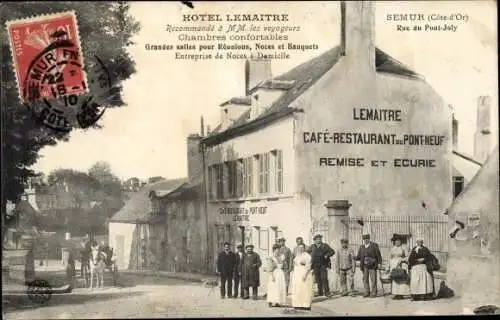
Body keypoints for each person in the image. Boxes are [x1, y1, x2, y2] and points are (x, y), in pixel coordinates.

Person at [408, 236, 435, 301]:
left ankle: (425, 295)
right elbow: (410, 258)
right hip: (416, 267)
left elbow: (429, 257)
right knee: (415, 281)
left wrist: (424, 259)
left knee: (425, 281)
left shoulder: (425, 249)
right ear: (416, 242)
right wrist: (416, 261)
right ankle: (415, 296)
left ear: (422, 242)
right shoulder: (414, 249)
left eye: (421, 241)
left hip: (423, 267)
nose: (419, 243)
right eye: (418, 241)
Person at [356, 234, 382, 298]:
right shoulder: (361, 247)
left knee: (373, 279)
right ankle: (366, 292)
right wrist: (353, 257)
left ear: (369, 239)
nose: (366, 240)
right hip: (365, 266)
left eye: (367, 239)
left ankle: (373, 293)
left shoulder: (374, 245)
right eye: (364, 239)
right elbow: (358, 256)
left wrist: (379, 263)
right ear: (363, 240)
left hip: (372, 265)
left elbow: (378, 255)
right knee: (365, 279)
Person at [291, 243, 314, 310]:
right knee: (298, 289)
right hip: (297, 275)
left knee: (305, 289)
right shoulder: (297, 256)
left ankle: (305, 305)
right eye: (299, 248)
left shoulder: (307, 256)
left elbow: (308, 266)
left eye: (302, 248)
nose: (300, 249)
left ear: (304, 248)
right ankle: (298, 304)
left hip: (304, 274)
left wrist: (305, 275)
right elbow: (295, 264)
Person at [389, 234, 410, 300]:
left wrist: (402, 259)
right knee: (395, 279)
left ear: (401, 241)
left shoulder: (404, 247)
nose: (397, 242)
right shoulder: (393, 248)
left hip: (402, 265)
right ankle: (396, 293)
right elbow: (390, 257)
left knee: (401, 279)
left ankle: (401, 294)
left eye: (398, 241)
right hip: (394, 265)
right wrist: (388, 266)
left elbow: (408, 256)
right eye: (395, 241)